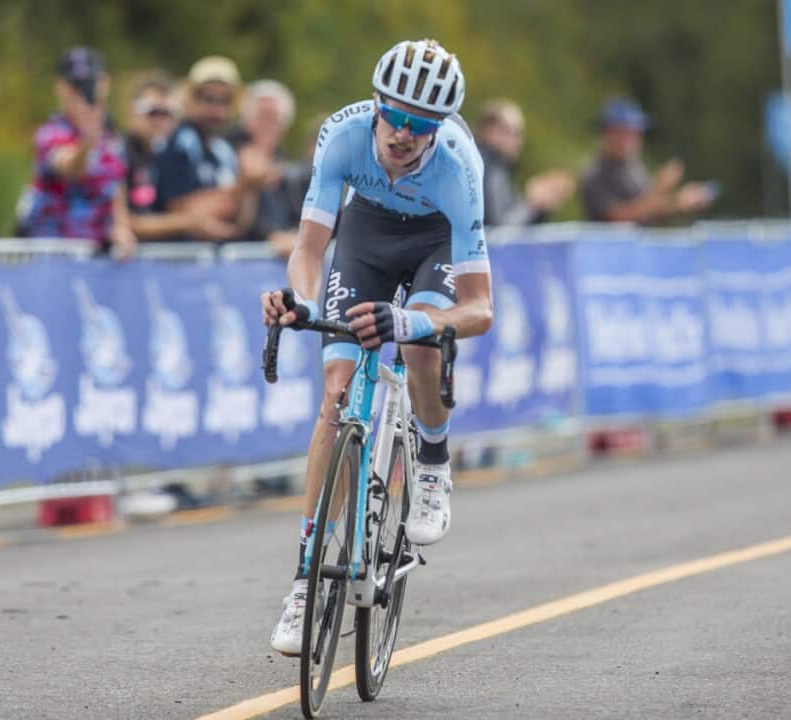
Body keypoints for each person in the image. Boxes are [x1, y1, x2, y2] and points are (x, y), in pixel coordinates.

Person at [260, 38, 493, 655]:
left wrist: (413, 322)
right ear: (375, 103)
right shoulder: (342, 137)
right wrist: (302, 302)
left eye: (422, 125)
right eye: (394, 115)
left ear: (440, 127)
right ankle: (306, 582)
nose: (404, 134)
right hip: (366, 235)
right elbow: (310, 249)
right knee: (334, 399)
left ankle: (433, 458)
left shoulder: (460, 168)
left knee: (420, 344)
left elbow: (479, 308)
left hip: (437, 243)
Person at [22, 46, 136, 257]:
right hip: (53, 256)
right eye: (75, 86)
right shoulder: (50, 134)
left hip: (97, 259)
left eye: (88, 85)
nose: (81, 94)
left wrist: (122, 228)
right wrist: (88, 142)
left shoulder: (113, 139)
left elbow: (116, 187)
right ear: (60, 87)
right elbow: (71, 169)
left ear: (104, 84)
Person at [154, 55, 270, 242]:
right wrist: (244, 184)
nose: (217, 110)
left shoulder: (223, 150)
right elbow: (181, 214)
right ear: (190, 98)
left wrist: (251, 187)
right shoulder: (177, 142)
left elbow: (238, 222)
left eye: (226, 100)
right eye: (209, 99)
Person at [122, 70, 231, 242]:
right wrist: (188, 222)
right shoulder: (122, 155)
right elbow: (126, 222)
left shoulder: (161, 156)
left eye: (168, 112)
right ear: (131, 111)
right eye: (153, 111)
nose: (161, 120)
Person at [579, 98, 714, 223]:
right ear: (606, 134)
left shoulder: (633, 168)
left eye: (636, 134)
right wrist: (661, 188)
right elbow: (619, 218)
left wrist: (679, 203)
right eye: (624, 134)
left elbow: (648, 212)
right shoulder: (595, 175)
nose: (631, 141)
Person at [230, 79, 303, 254]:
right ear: (246, 121)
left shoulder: (286, 167)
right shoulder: (228, 156)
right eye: (263, 116)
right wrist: (271, 234)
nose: (269, 125)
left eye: (276, 118)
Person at [475, 98, 573, 226]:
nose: (518, 141)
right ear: (489, 131)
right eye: (512, 132)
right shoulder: (490, 169)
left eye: (520, 134)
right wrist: (532, 203)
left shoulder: (492, 166)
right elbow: (499, 229)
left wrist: (540, 208)